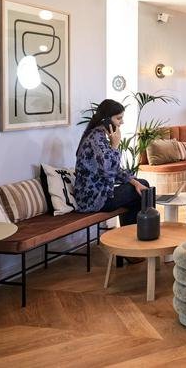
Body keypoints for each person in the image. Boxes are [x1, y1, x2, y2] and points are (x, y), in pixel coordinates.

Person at [75, 100, 149, 265]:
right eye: (118, 118)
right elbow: (108, 169)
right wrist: (115, 146)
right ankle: (131, 246)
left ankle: (133, 244)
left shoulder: (100, 136)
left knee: (140, 185)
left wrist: (133, 181)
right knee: (139, 194)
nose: (122, 122)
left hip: (102, 192)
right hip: (93, 199)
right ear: (106, 120)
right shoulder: (96, 138)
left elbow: (114, 170)